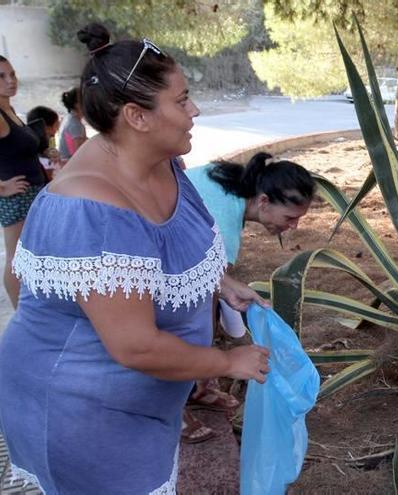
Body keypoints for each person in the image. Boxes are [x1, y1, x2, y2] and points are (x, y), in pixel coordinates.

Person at [0, 23, 270, 493]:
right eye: (182, 100)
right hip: (80, 415)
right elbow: (135, 347)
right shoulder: (93, 209)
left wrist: (217, 282)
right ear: (137, 117)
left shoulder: (162, 162)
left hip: (134, 409)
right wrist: (228, 363)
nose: (195, 110)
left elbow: (177, 243)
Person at [181, 152, 314, 442]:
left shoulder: (231, 185)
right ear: (264, 201)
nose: (293, 226)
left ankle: (197, 389)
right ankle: (175, 411)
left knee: (204, 317)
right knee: (187, 324)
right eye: (290, 217)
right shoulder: (225, 219)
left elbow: (214, 281)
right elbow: (204, 290)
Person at [0, 55, 48, 308]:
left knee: (32, 254)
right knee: (17, 258)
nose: (11, 81)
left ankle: (32, 308)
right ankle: (21, 315)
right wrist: (2, 187)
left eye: (12, 74)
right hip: (17, 197)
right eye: (1, 76)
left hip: (33, 192)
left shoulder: (10, 111)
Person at [25, 106, 62, 179]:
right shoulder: (37, 154)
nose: (58, 125)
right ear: (46, 128)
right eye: (56, 123)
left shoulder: (50, 139)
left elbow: (52, 150)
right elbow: (50, 176)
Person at [58, 87, 88, 162]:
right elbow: (78, 153)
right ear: (77, 105)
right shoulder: (75, 124)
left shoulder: (69, 118)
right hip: (70, 163)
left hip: (66, 160)